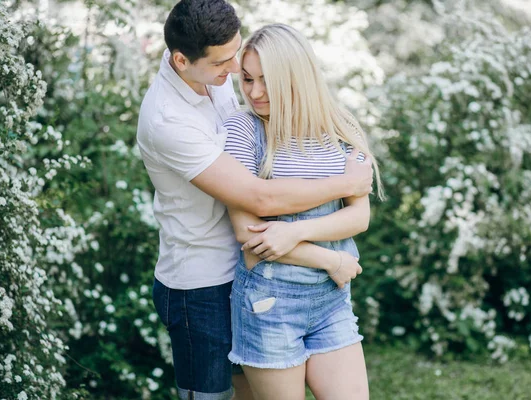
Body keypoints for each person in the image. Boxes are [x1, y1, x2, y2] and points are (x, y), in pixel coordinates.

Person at [136, 1, 374, 399]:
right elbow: (258, 199)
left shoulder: (217, 74)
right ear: (182, 61)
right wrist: (345, 190)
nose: (236, 76)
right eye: (228, 66)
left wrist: (303, 229)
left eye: (238, 61)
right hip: (203, 281)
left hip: (277, 279)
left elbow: (355, 215)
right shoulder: (168, 119)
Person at [223, 24, 384, 400]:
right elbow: (248, 233)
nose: (255, 92)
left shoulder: (340, 128)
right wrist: (331, 259)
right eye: (247, 79)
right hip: (268, 303)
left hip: (331, 302)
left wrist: (292, 232)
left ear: (297, 78)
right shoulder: (243, 131)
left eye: (267, 80)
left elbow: (358, 217)